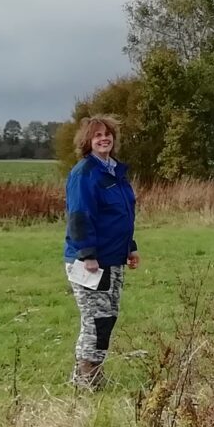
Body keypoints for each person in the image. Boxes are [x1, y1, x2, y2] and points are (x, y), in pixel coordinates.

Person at [63, 115, 140, 389]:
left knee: (107, 317)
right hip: (91, 262)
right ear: (88, 141)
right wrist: (88, 254)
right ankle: (88, 379)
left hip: (113, 258)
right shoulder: (85, 173)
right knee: (97, 321)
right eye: (97, 136)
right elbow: (79, 216)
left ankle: (83, 377)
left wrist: (130, 248)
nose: (104, 139)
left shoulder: (115, 172)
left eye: (107, 134)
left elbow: (122, 215)